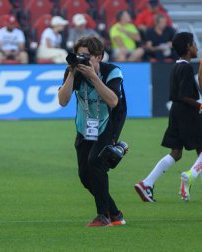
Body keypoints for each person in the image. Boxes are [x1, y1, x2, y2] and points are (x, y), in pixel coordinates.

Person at [58, 37, 127, 227]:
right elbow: (62, 101)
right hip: (84, 127)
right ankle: (115, 214)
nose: (82, 59)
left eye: (86, 56)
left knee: (95, 163)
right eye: (79, 55)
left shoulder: (111, 71)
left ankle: (102, 216)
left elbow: (113, 101)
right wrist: (72, 74)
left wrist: (94, 78)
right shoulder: (74, 71)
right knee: (85, 176)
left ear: (98, 57)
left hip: (107, 124)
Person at [134, 32, 201, 202]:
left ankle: (146, 183)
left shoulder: (176, 66)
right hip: (188, 113)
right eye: (194, 44)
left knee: (176, 153)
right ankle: (190, 174)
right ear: (188, 47)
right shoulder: (186, 67)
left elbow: (176, 95)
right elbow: (184, 95)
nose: (197, 47)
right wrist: (200, 105)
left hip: (176, 113)